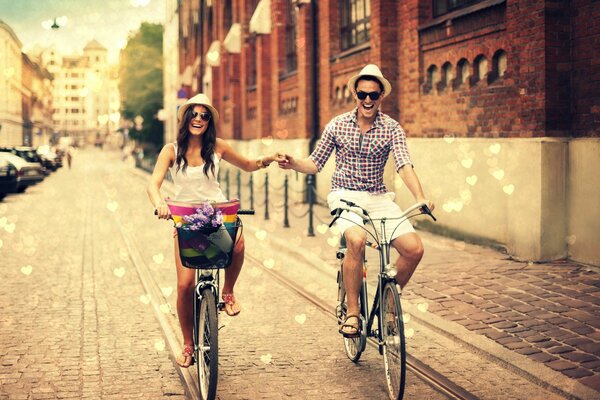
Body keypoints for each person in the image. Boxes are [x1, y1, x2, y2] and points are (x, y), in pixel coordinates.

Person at [278, 64, 435, 338]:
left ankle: (388, 302)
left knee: (414, 249)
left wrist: (420, 196)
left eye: (373, 95)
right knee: (357, 240)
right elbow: (315, 163)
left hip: (378, 197)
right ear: (355, 93)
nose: (367, 101)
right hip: (344, 195)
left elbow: (403, 164)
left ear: (381, 97)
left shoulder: (392, 129)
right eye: (363, 94)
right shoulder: (337, 125)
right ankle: (353, 312)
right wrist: (293, 164)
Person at [147, 93, 280, 367]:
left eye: (204, 115)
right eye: (194, 115)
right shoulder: (171, 151)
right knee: (184, 285)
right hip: (185, 220)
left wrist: (267, 159)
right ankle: (187, 344)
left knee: (239, 244)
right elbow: (153, 184)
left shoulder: (217, 147)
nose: (199, 119)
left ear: (210, 121)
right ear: (185, 119)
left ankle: (227, 292)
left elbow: (247, 165)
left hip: (217, 216)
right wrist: (160, 203)